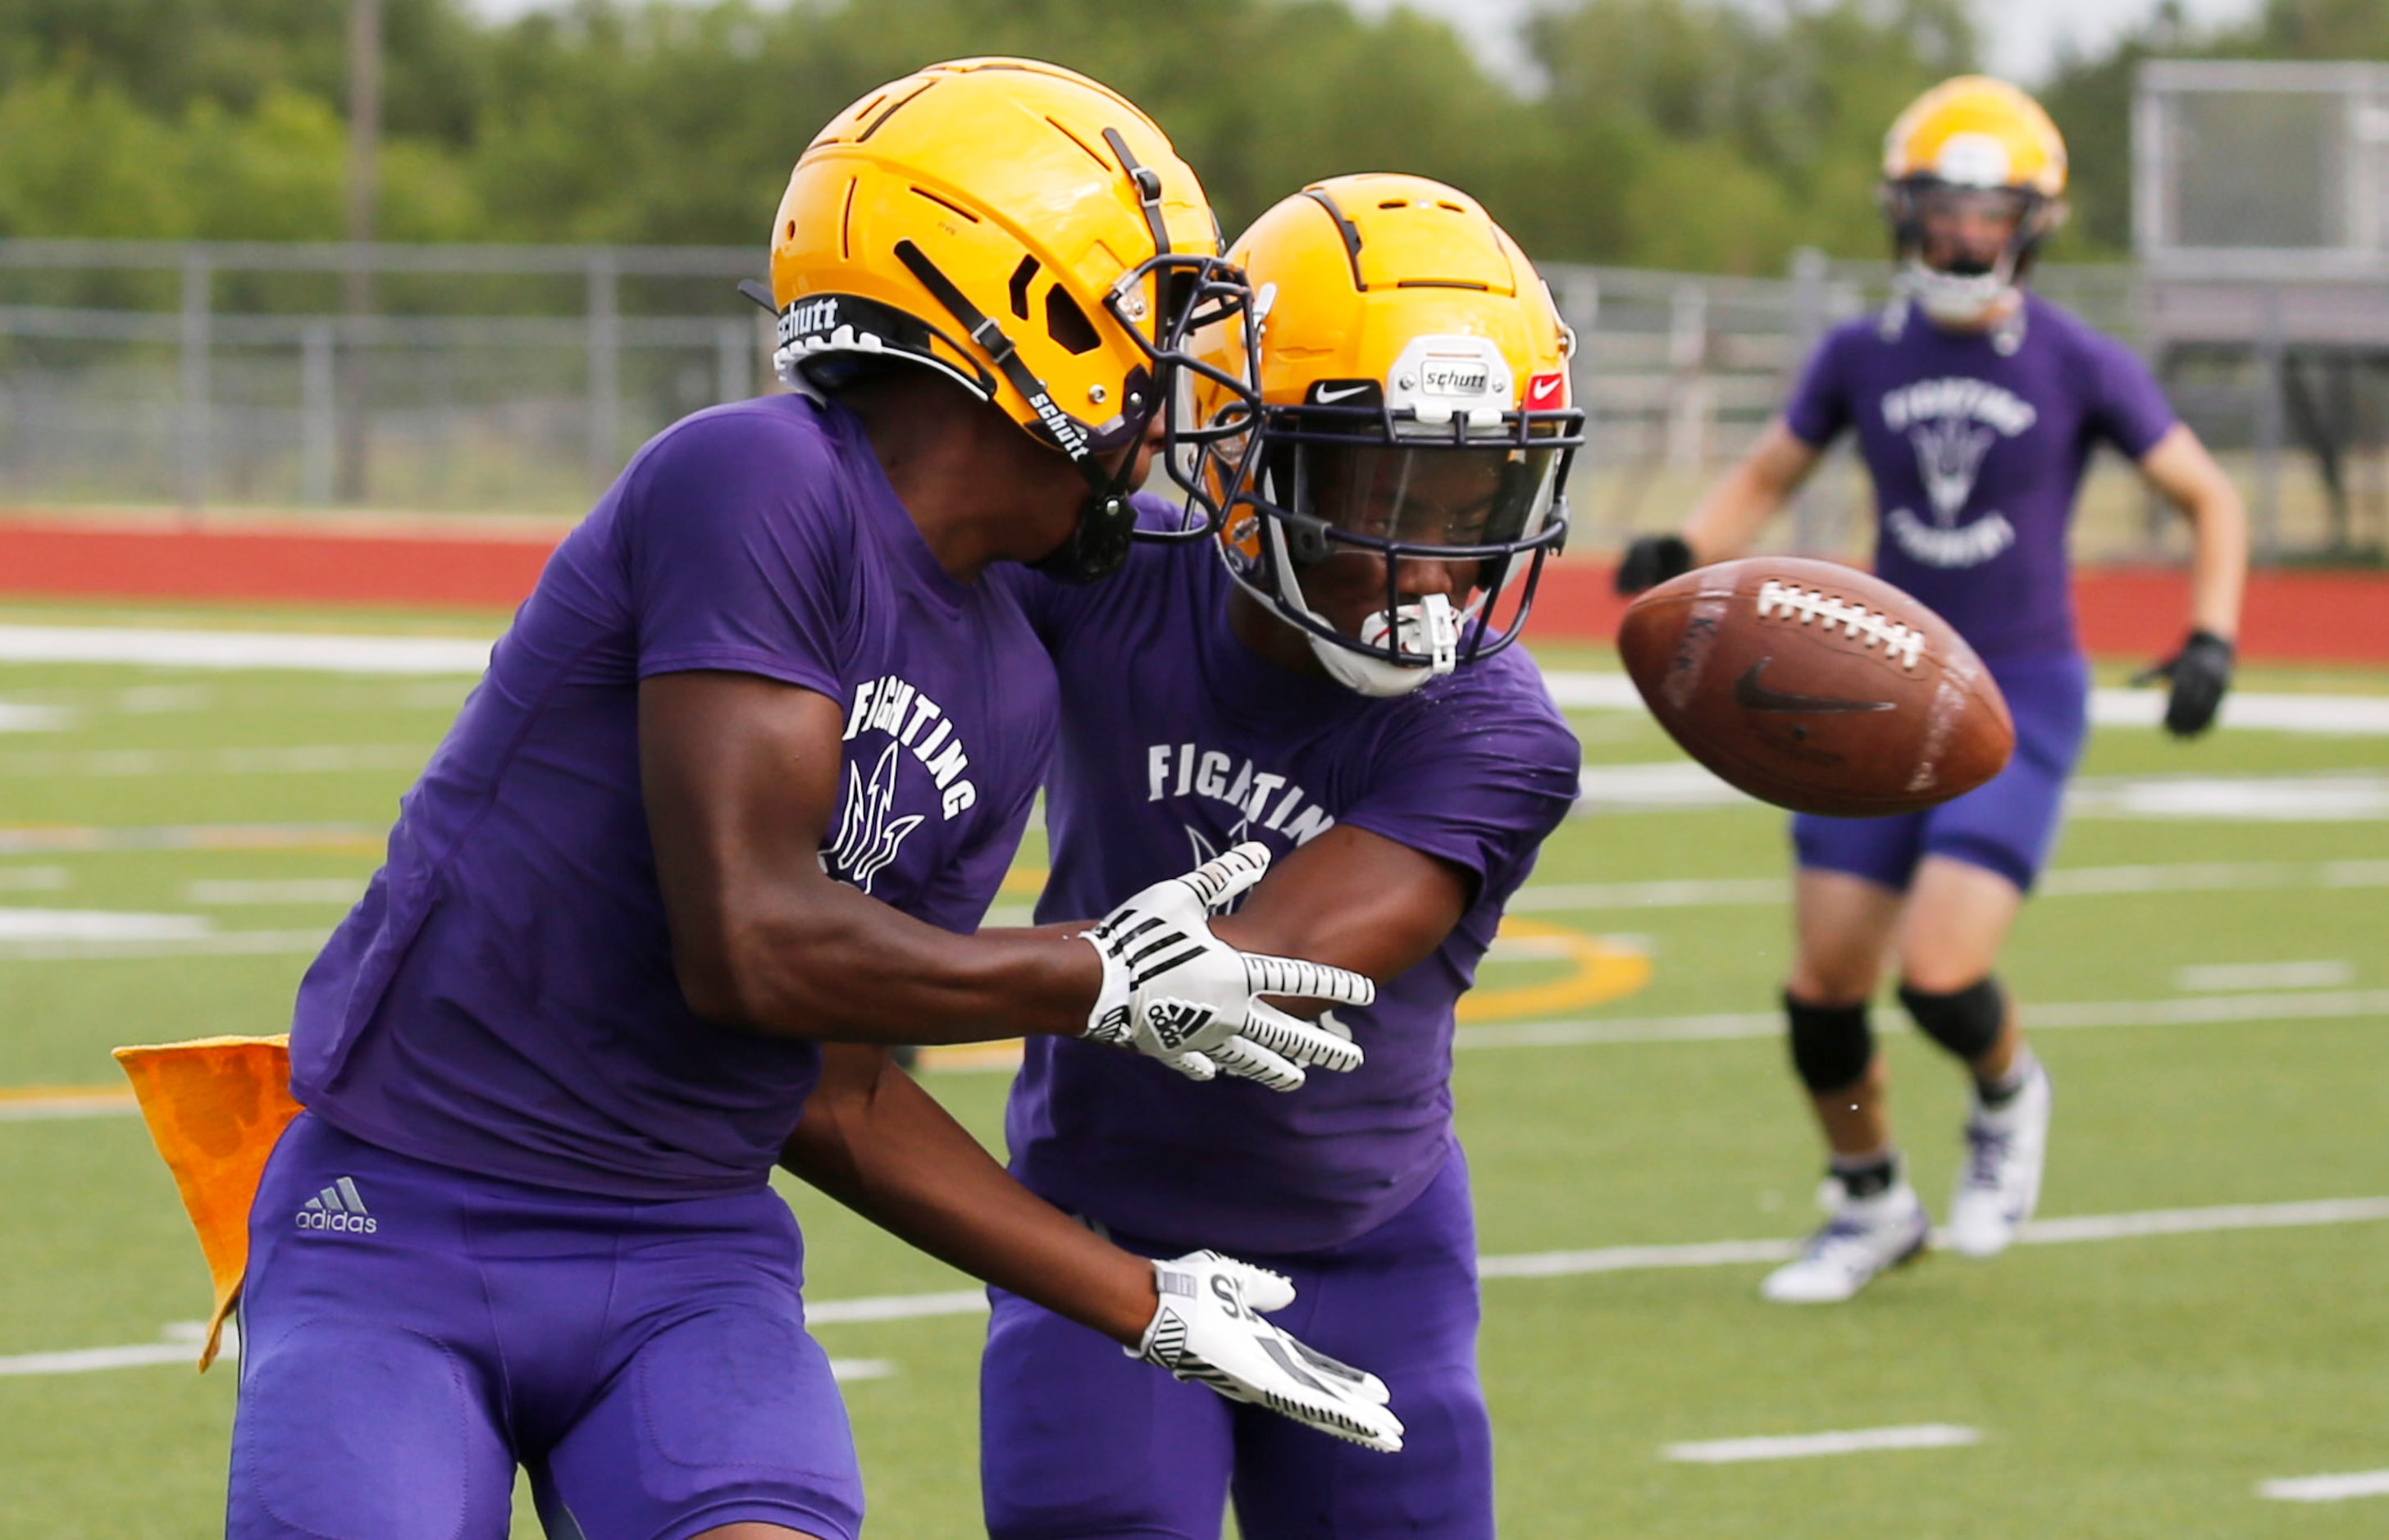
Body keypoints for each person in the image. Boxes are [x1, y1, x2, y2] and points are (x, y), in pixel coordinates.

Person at [216, 59, 1400, 1540]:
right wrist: (1088, 976)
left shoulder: (1009, 668)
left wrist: (1144, 1300)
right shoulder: (759, 478)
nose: (1176, 392)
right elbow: (749, 946)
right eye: (1155, 328)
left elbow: (832, 1087)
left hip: (687, 1257)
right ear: (1034, 320)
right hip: (408, 1213)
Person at [974, 174, 1585, 1540]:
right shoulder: (1108, 578)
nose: (1428, 565)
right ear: (1240, 464)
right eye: (1382, 492)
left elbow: (1242, 971)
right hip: (1094, 1228)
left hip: (1369, 1242)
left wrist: (866, 972)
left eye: (1474, 500)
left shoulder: (1497, 729)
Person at [1616, 76, 2248, 1304]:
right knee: (1821, 998)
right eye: (1939, 206)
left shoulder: (2076, 357)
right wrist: (1681, 557)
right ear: (1903, 212)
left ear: (2030, 219)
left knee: (1943, 975)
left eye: (1984, 208)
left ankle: (2007, 1090)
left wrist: (2210, 636)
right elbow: (1764, 469)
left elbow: (2207, 495)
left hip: (2017, 690)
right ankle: (1867, 1196)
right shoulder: (1862, 349)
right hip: (1872, 683)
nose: (1959, 231)